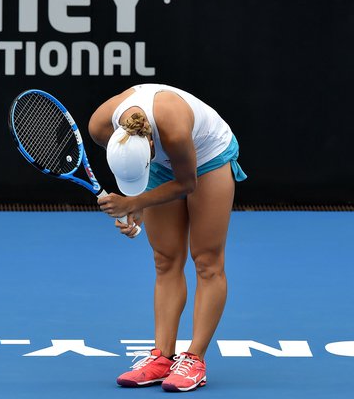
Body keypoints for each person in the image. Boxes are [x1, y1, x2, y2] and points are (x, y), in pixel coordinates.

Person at [88, 83, 247, 392]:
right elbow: (134, 174)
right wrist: (138, 205)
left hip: (206, 158)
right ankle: (161, 358)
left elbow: (187, 184)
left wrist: (135, 202)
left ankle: (195, 360)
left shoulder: (172, 128)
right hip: (159, 166)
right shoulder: (100, 126)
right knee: (165, 259)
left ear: (150, 145)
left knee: (207, 260)